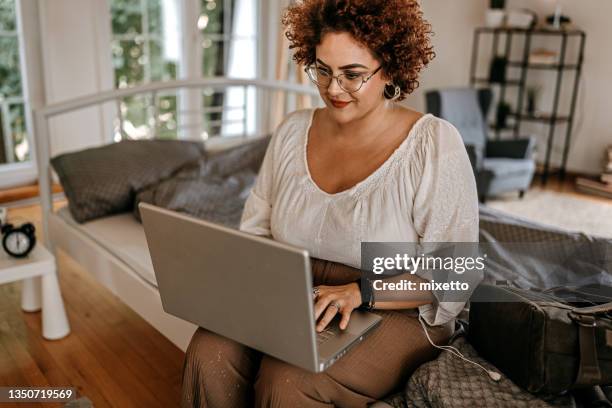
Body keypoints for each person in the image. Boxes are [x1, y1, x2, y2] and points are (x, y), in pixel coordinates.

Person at [181, 0, 478, 406]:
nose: (333, 89)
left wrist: (360, 292)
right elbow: (256, 230)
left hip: (397, 307)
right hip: (300, 295)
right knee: (208, 348)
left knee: (288, 380)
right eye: (323, 70)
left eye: (353, 75)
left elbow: (456, 272)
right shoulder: (291, 132)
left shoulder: (433, 143)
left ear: (389, 67)